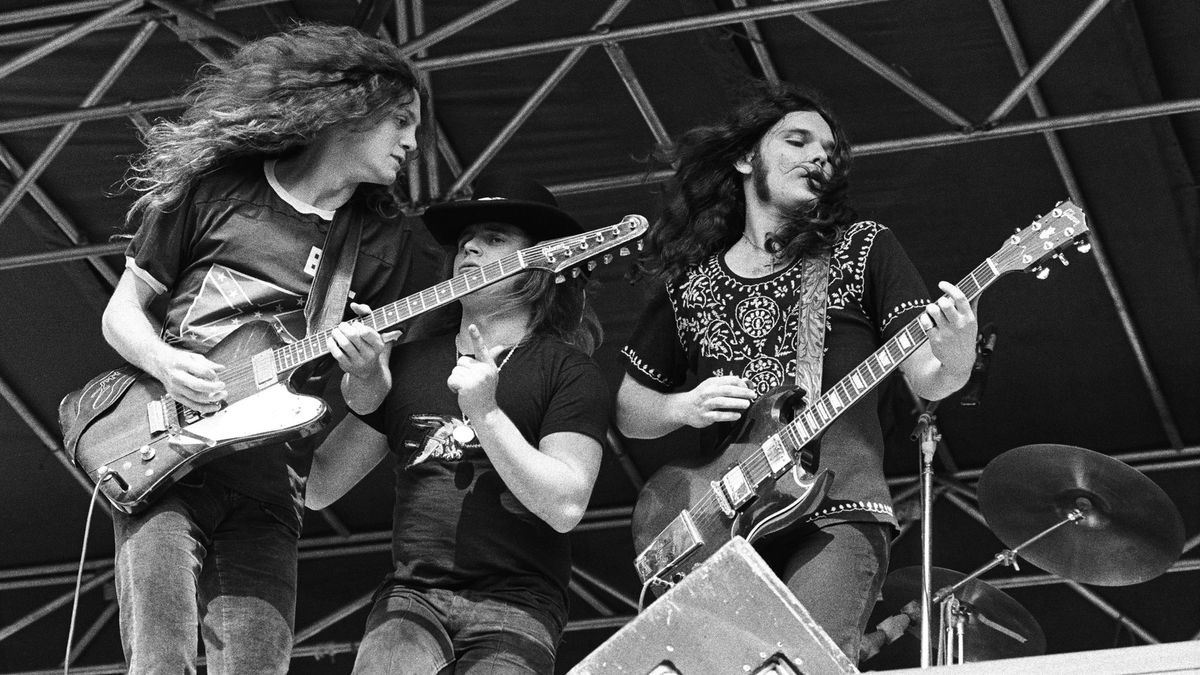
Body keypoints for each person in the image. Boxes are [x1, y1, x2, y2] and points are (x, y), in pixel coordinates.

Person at [99, 24, 439, 673]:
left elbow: (368, 400)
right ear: (350, 110)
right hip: (167, 463)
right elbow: (121, 315)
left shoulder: (390, 245)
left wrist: (367, 373)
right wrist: (167, 362)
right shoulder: (215, 188)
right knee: (160, 659)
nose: (413, 141)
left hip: (269, 490)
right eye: (400, 120)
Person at [614, 81, 978, 663]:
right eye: (797, 140)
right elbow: (631, 412)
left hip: (838, 510)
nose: (818, 157)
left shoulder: (862, 249)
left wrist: (957, 351)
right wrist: (680, 407)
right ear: (743, 158)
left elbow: (929, 378)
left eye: (828, 151)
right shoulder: (689, 281)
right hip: (725, 524)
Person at [307, 174, 611, 673]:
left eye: (494, 239)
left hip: (519, 605)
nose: (469, 246)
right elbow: (319, 486)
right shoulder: (405, 361)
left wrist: (486, 413)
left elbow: (565, 503)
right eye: (466, 240)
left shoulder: (569, 370)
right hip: (412, 597)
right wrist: (357, 384)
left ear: (539, 264)